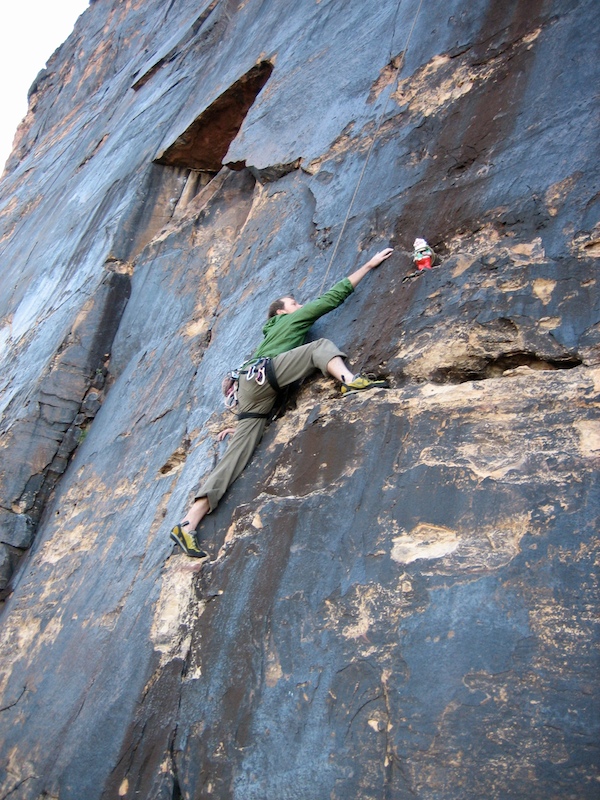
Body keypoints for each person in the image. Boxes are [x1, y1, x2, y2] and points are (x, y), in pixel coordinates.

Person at [171, 247, 394, 557]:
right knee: (320, 347)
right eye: (293, 303)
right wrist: (368, 265)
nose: (299, 305)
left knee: (234, 459)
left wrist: (239, 425)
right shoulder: (289, 321)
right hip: (267, 376)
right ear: (280, 311)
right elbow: (331, 299)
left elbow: (249, 381)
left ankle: (187, 523)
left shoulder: (266, 337)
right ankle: (349, 381)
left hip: (253, 386)